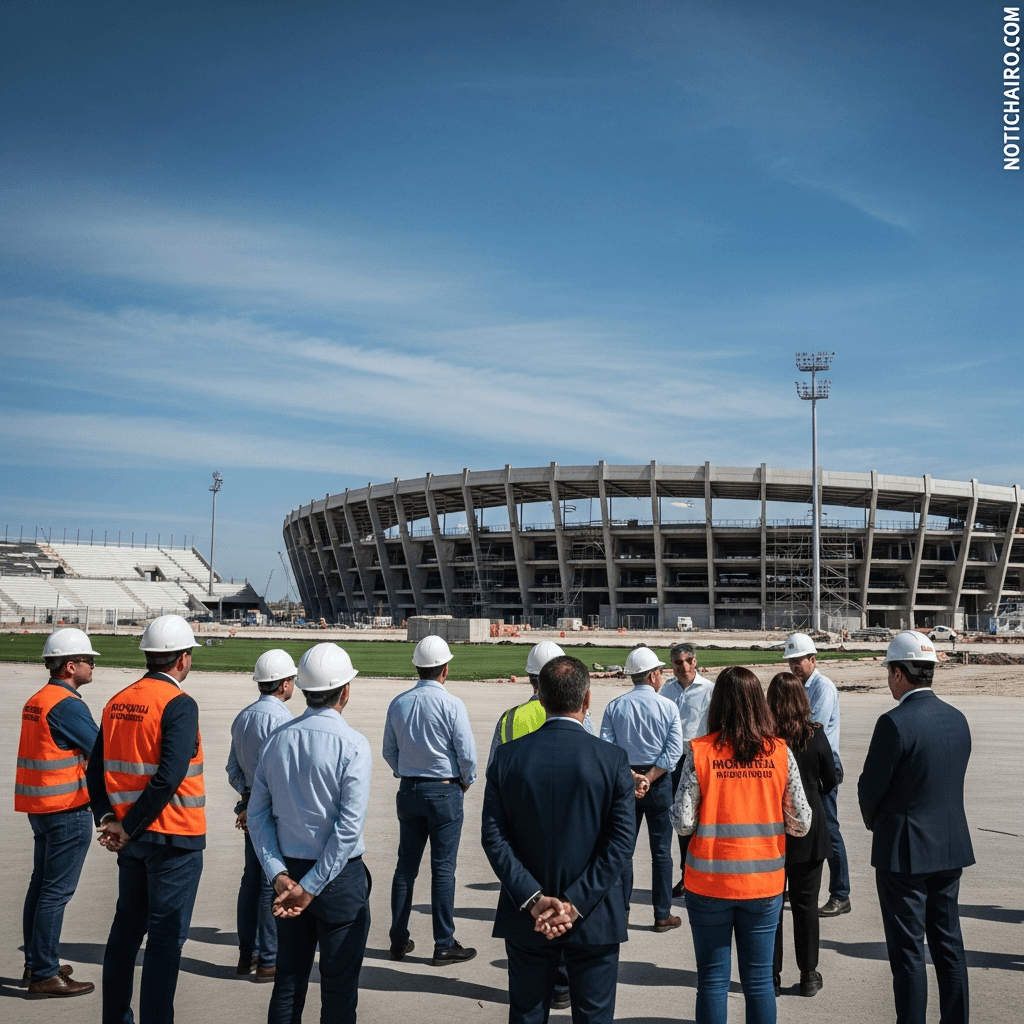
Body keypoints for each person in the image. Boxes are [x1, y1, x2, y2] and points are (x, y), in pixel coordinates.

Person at [482, 656, 636, 1024]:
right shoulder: (612, 759)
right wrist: (574, 903)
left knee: (527, 1013)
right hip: (594, 915)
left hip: (528, 916)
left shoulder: (507, 757)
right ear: (587, 701)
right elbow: (620, 843)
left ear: (541, 699)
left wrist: (534, 899)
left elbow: (494, 837)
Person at [671, 665, 811, 1024]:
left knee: (714, 982)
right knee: (759, 981)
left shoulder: (700, 752)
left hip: (710, 883)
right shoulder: (780, 752)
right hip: (763, 884)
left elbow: (684, 821)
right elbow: (801, 823)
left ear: (718, 704)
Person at [86, 614, 204, 1024]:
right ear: (183, 659)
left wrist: (110, 819)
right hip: (173, 840)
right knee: (165, 942)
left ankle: (115, 1017)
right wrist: (129, 825)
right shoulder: (178, 704)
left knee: (124, 936)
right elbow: (169, 776)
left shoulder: (117, 700)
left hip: (130, 842)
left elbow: (94, 770)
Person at [247, 643, 372, 1024]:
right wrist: (312, 886)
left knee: (288, 980)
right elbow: (347, 828)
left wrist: (279, 875)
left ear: (301, 688)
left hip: (290, 873)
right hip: (336, 878)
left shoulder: (277, 740)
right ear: (345, 690)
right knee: (338, 987)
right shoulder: (353, 744)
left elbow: (258, 817)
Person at [858, 631, 973, 1024]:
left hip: (904, 853)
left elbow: (870, 789)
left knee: (908, 952)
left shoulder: (894, 723)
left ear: (899, 673)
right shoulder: (957, 719)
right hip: (950, 847)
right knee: (948, 944)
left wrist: (877, 822)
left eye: (890, 670)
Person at [16, 628, 101, 999]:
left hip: (41, 806)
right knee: (55, 892)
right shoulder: (68, 705)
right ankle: (46, 973)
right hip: (68, 808)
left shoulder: (39, 699)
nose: (93, 664)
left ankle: (37, 962)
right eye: (88, 660)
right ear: (71, 666)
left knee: (41, 886)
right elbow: (100, 750)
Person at [383, 634, 478, 965]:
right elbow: (466, 753)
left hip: (409, 789)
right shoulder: (452, 704)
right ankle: (443, 943)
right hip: (444, 790)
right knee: (443, 869)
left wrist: (407, 772)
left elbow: (389, 751)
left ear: (417, 669)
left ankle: (397, 939)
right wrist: (464, 782)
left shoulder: (399, 702)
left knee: (405, 868)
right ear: (445, 670)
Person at [600, 646, 683, 932]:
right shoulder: (668, 706)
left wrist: (634, 775)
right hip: (658, 782)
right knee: (661, 852)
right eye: (659, 672)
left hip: (626, 781)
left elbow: (608, 747)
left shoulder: (615, 706)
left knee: (624, 850)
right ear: (652, 676)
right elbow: (674, 752)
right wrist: (650, 776)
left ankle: (621, 912)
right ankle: (662, 914)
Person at [225, 649, 297, 982]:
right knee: (274, 882)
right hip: (275, 808)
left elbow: (232, 767)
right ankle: (269, 959)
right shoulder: (284, 720)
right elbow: (287, 773)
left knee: (250, 881)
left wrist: (247, 798)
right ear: (284, 684)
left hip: (253, 804)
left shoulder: (243, 717)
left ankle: (247, 954)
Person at [766, 672, 837, 998]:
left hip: (773, 830)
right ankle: (808, 973)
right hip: (809, 831)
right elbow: (830, 778)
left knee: (772, 909)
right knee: (806, 905)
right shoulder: (814, 734)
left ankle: (773, 976)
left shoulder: (766, 738)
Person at [784, 632, 850, 917]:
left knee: (829, 830)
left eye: (799, 661)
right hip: (798, 765)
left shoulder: (823, 688)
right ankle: (795, 883)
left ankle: (841, 893)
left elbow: (812, 729)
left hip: (822, 768)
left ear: (813, 659)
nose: (794, 666)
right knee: (794, 825)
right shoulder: (797, 687)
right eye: (791, 662)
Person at [660, 641, 714, 897]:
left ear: (695, 662)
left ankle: (706, 874)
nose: (683, 667)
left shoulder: (709, 690)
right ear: (671, 666)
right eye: (677, 663)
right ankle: (686, 875)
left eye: (687, 661)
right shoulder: (665, 692)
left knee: (705, 819)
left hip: (701, 760)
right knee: (683, 820)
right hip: (674, 761)